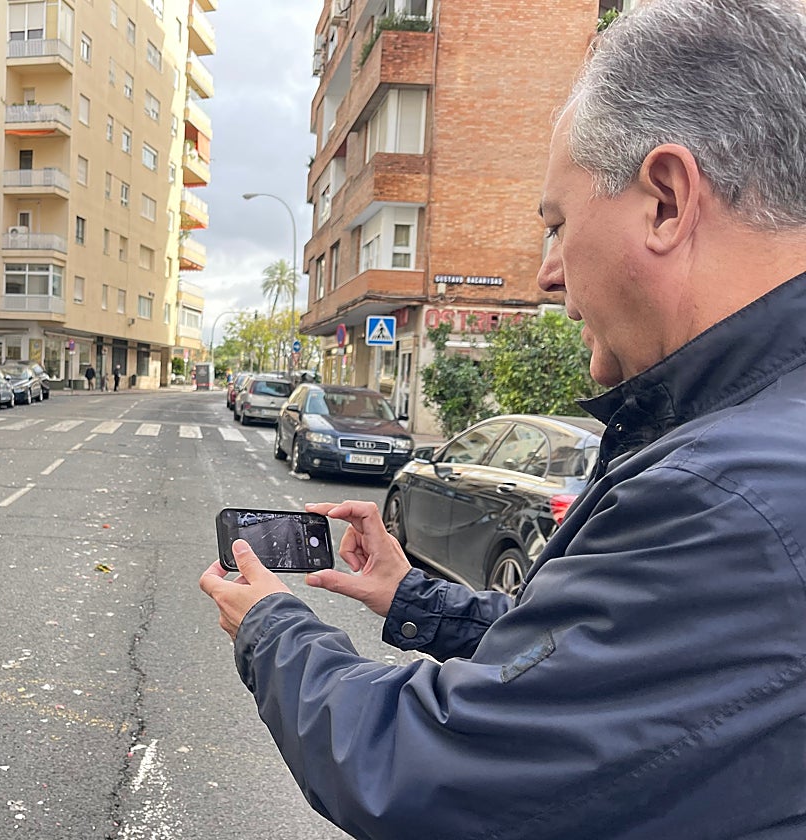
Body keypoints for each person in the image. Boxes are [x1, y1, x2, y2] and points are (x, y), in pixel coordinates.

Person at [200, 1, 806, 836]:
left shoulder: (730, 493)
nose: (548, 273)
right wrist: (413, 596)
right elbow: (591, 667)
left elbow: (431, 770)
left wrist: (269, 626)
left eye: (556, 224)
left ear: (666, 201)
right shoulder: (757, 437)